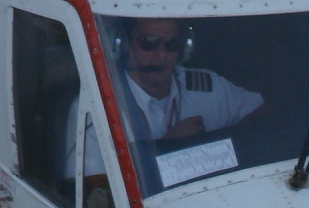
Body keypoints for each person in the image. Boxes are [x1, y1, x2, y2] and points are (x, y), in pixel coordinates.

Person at [64, 17, 264, 189]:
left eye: (171, 44)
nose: (161, 55)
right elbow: (91, 190)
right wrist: (170, 145)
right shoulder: (96, 109)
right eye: (148, 43)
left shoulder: (208, 88)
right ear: (122, 45)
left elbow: (262, 112)